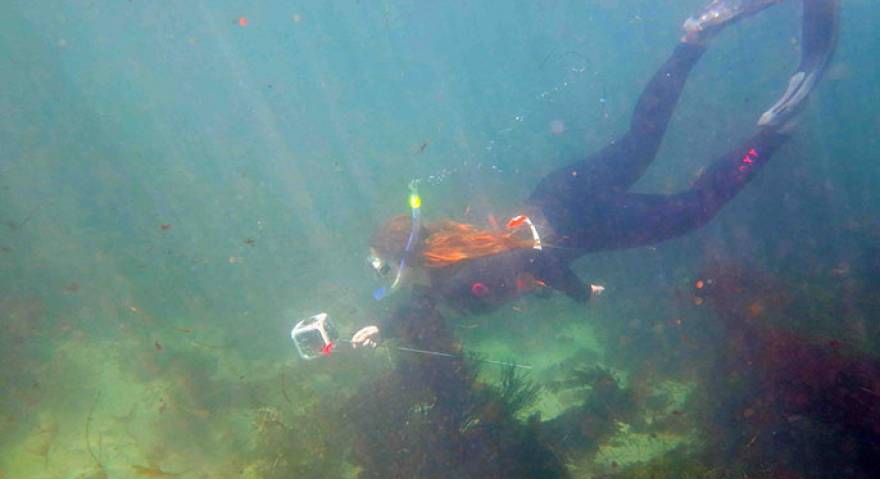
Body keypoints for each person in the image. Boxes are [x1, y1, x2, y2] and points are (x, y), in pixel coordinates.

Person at [351, 0, 840, 350]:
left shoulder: (456, 280)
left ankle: (774, 129)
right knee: (640, 141)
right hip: (559, 192)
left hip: (583, 224)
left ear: (402, 258)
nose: (386, 274)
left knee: (696, 209)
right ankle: (694, 37)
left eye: (382, 265)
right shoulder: (445, 252)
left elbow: (534, 264)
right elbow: (426, 300)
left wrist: (580, 294)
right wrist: (383, 329)